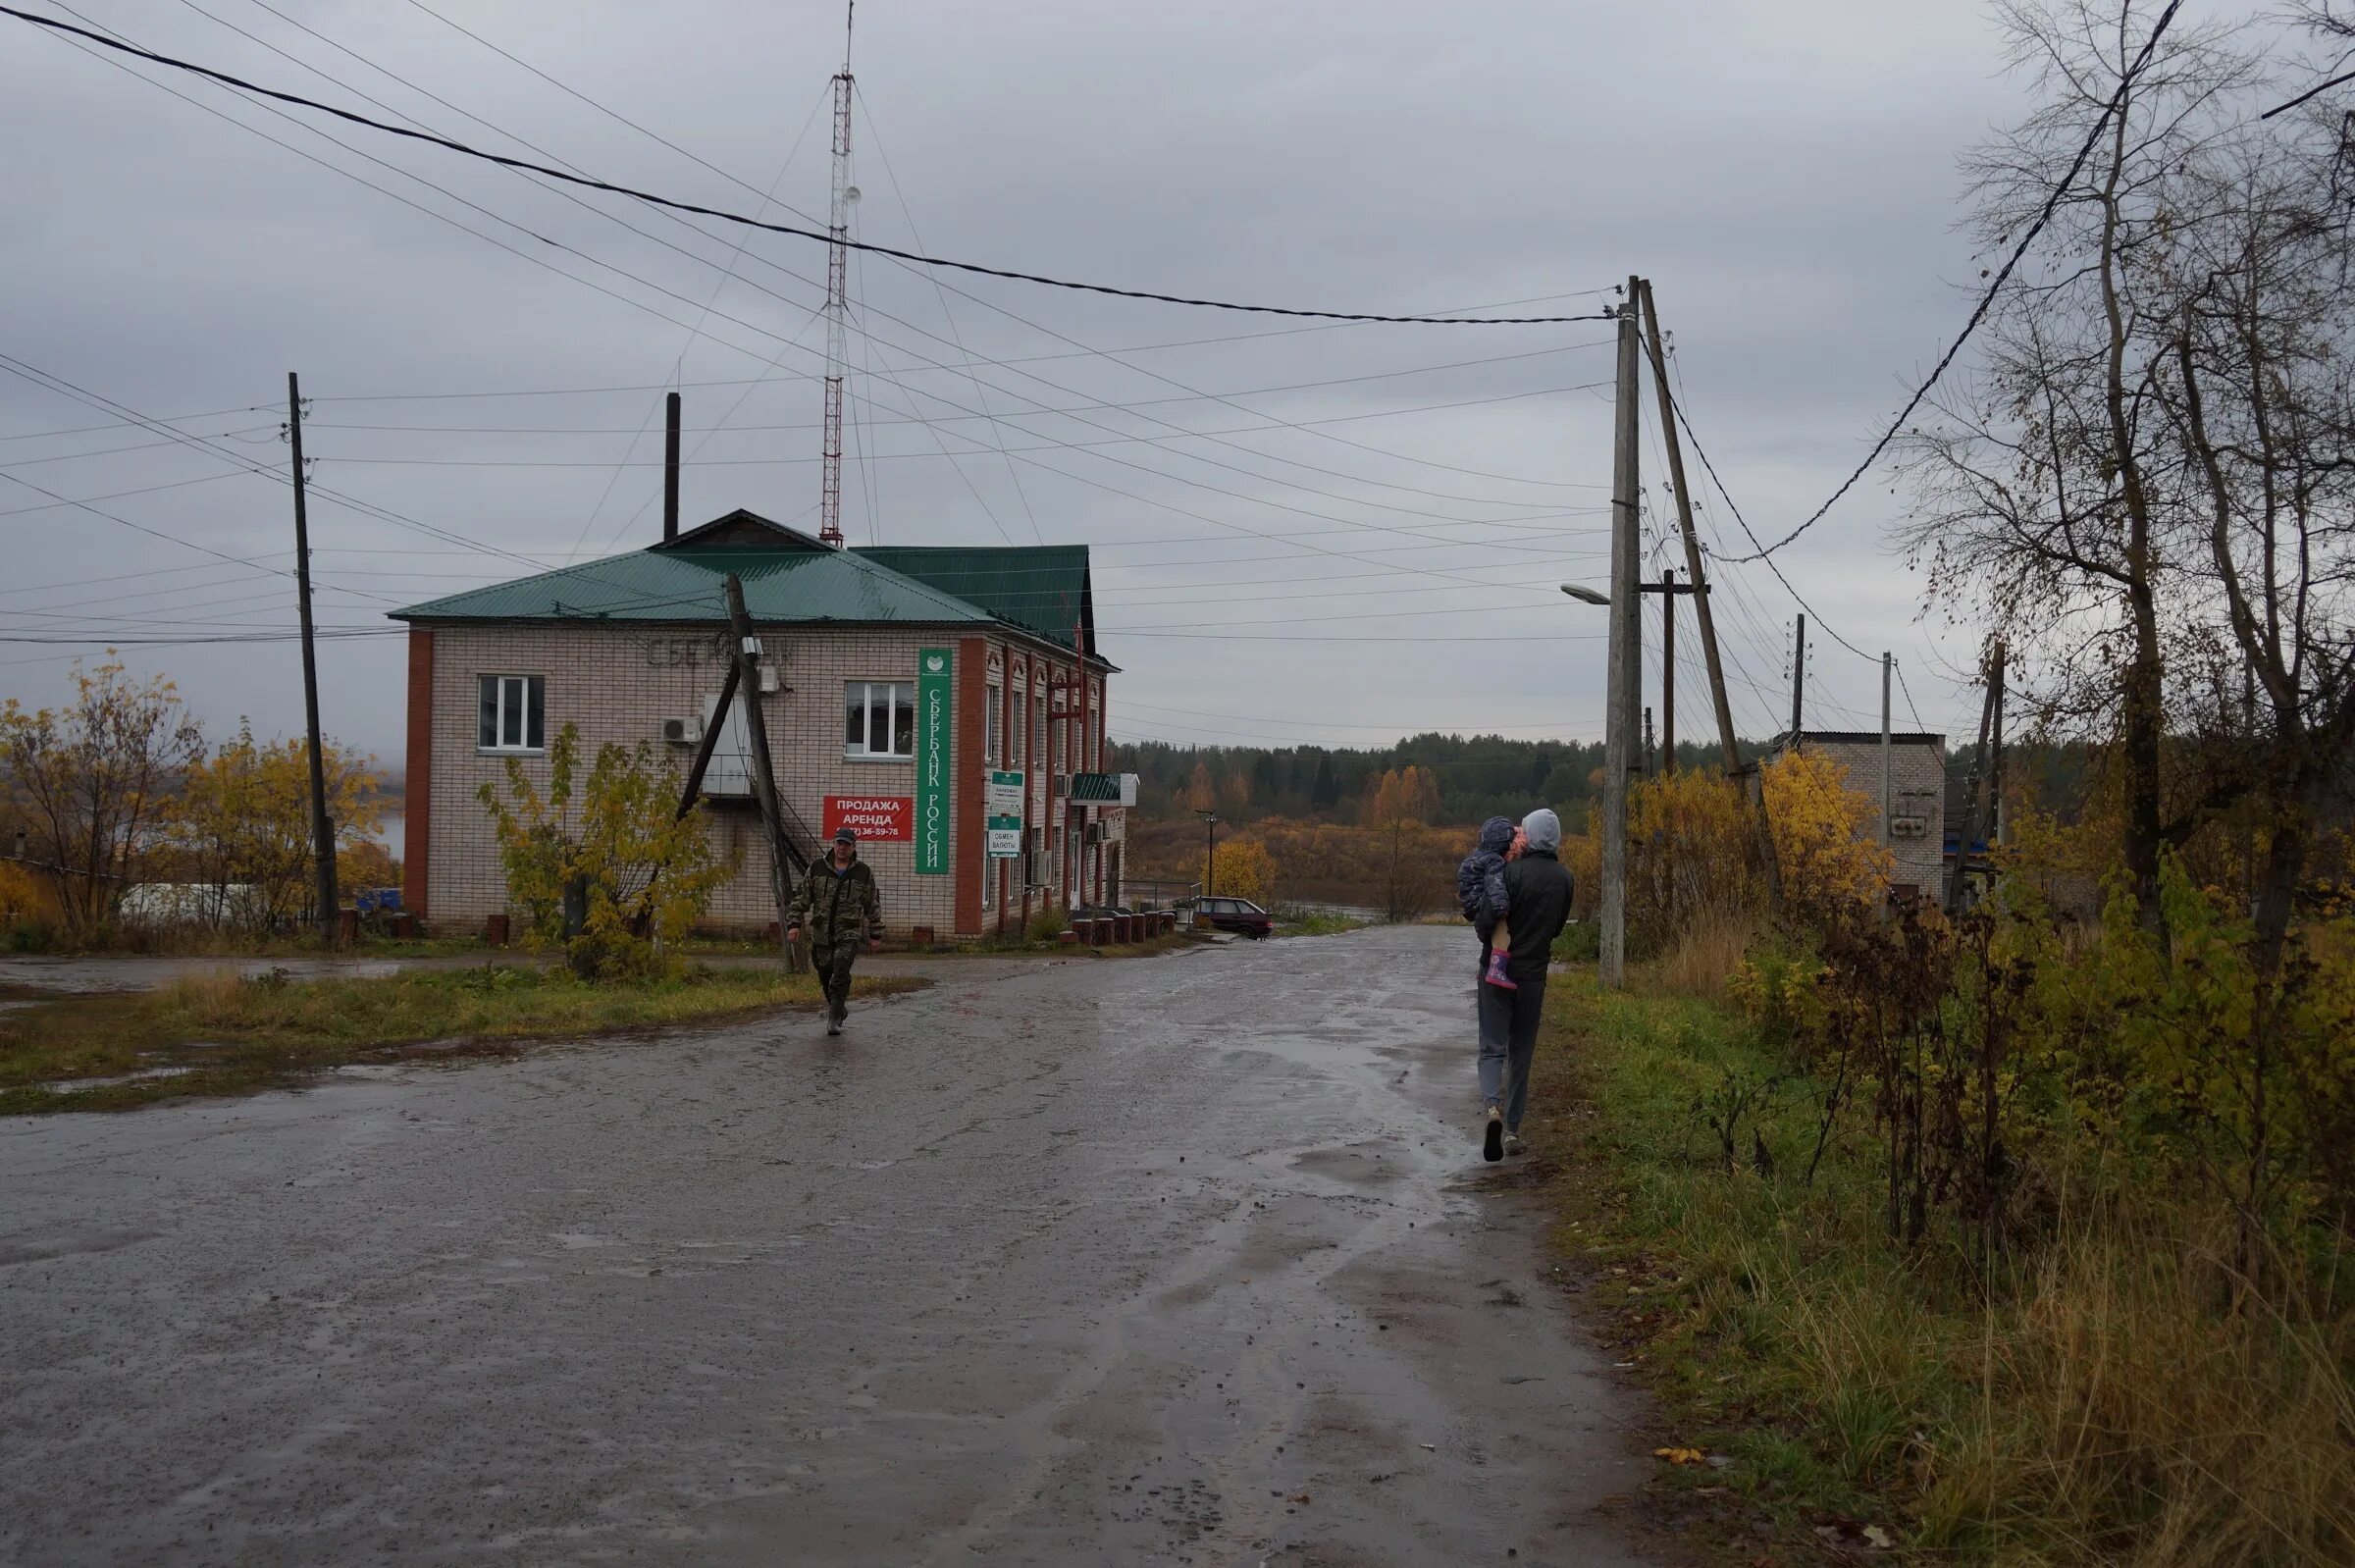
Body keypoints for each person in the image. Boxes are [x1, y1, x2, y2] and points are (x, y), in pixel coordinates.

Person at [1474, 808, 1573, 1161]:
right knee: (1521, 1053)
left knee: (1491, 1046)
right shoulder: (1565, 879)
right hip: (1533, 977)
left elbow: (1485, 921)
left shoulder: (1508, 872)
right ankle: (1513, 1131)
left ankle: (1491, 1110)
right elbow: (1558, 927)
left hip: (1496, 971)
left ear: (1527, 836)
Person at [785, 826, 884, 1036]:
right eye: (839, 843)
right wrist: (794, 924)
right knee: (824, 973)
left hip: (848, 933)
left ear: (853, 847)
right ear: (834, 844)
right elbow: (801, 898)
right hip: (821, 932)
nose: (842, 847)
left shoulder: (863, 873)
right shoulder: (817, 868)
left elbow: (872, 904)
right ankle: (838, 1008)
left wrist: (875, 935)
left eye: (846, 844)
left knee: (840, 971)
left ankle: (833, 1021)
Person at [1455, 815, 1520, 990]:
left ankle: (1484, 970)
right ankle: (1496, 969)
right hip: (1481, 901)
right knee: (1501, 932)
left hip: (1470, 901)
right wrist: (1501, 906)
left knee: (1490, 936)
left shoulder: (1474, 857)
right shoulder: (1494, 860)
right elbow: (1494, 883)